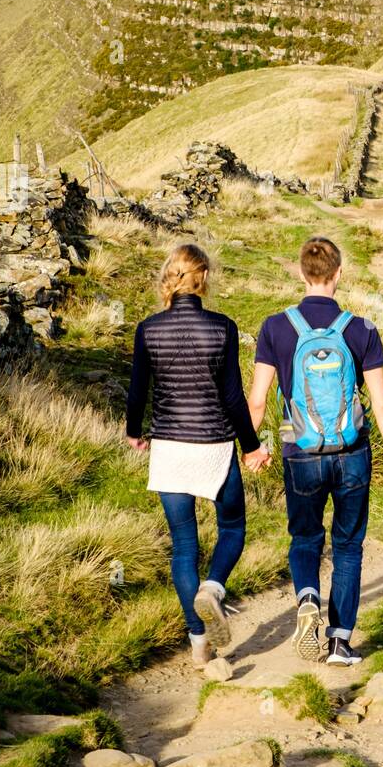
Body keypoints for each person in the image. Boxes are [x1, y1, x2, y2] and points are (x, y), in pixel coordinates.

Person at [248, 236, 383, 666]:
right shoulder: (362, 329)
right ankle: (339, 642)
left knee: (305, 537)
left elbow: (259, 401)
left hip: (300, 453)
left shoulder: (275, 327)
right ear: (339, 275)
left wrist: (251, 449)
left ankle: (306, 598)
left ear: (302, 274)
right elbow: (381, 401)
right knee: (348, 545)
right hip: (352, 450)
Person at [125, 243, 269, 668]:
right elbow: (232, 397)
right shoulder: (222, 327)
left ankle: (199, 646)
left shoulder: (148, 329)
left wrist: (135, 432)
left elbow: (138, 392)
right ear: (203, 278)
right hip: (215, 446)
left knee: (184, 545)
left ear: (171, 276)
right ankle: (214, 589)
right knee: (233, 527)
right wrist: (252, 446)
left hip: (169, 446)